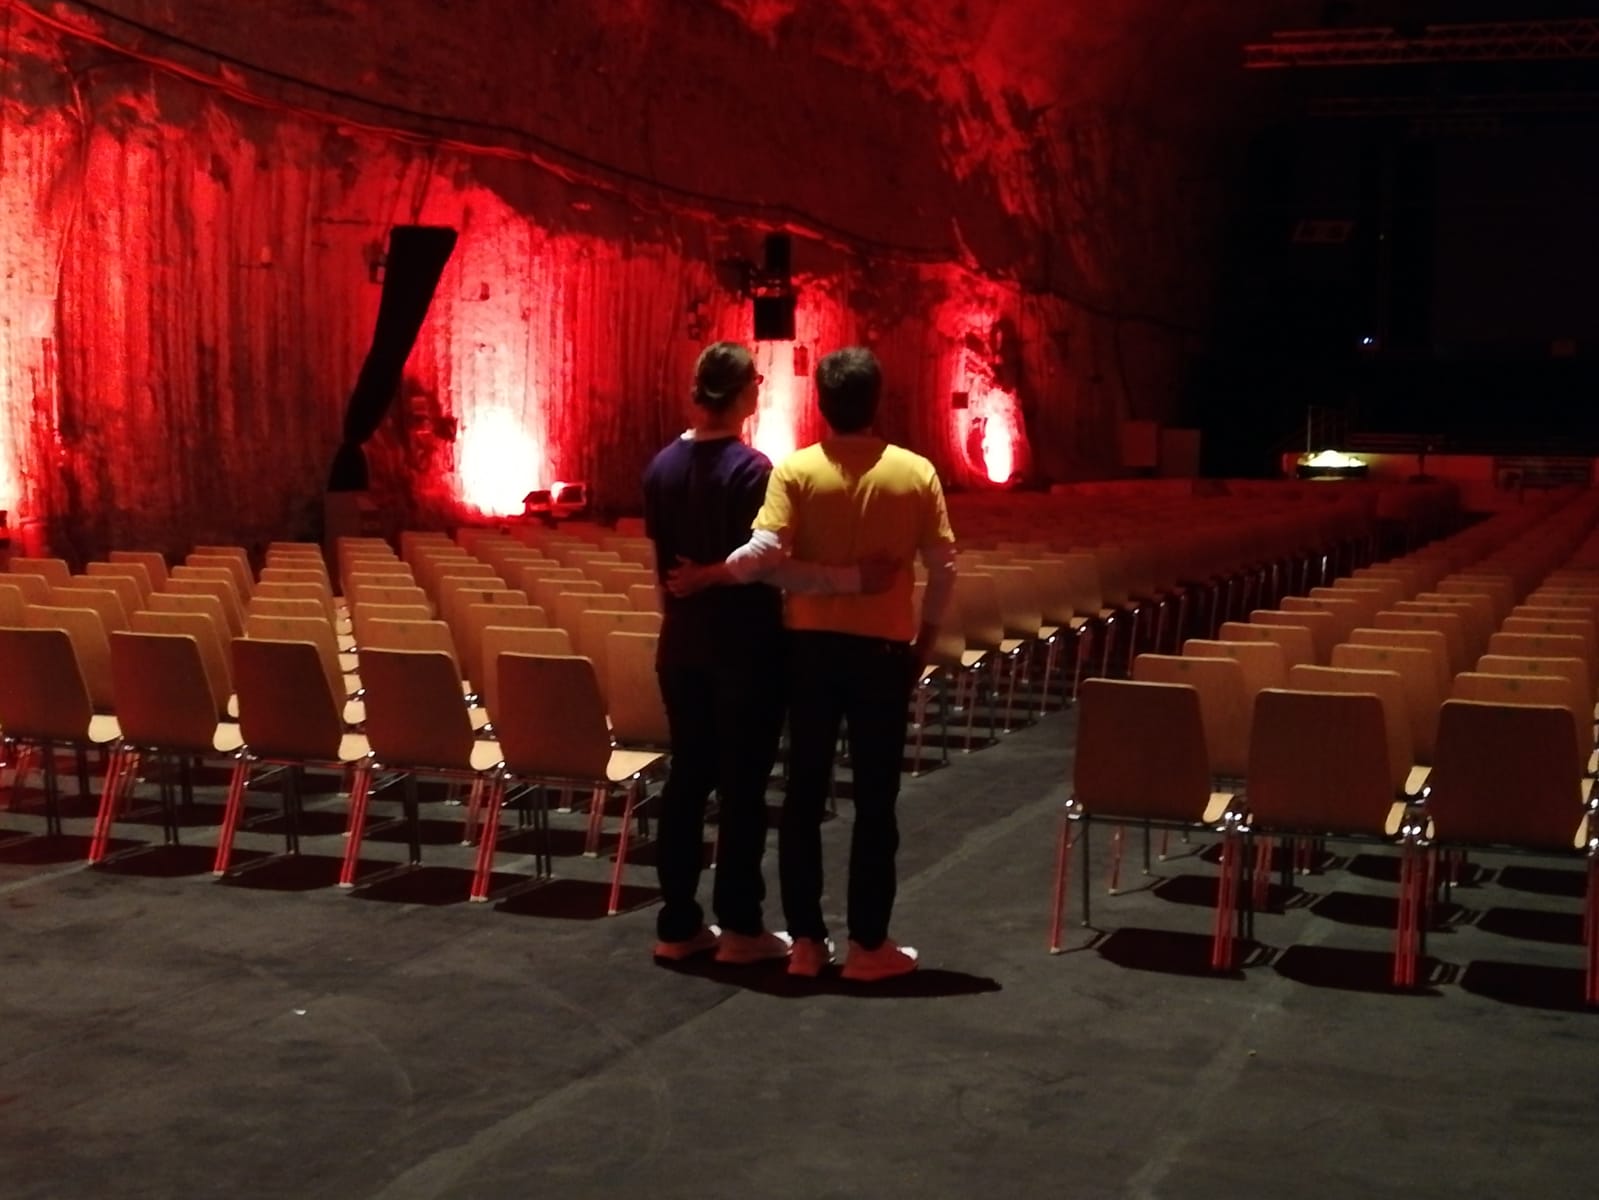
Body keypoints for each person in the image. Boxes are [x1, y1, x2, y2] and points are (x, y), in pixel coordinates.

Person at [670, 346, 957, 982]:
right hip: (883, 653)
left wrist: (716, 574)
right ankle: (868, 945)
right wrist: (927, 640)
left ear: (821, 404)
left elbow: (765, 559)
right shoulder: (916, 472)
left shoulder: (794, 471)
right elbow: (944, 568)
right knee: (876, 801)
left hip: (807, 652)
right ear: (876, 401)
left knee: (803, 794)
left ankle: (805, 941)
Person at [642, 341, 890, 966]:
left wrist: (684, 604)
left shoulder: (660, 467)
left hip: (681, 646)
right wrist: (852, 580)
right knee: (742, 788)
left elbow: (659, 568)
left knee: (687, 781)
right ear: (744, 392)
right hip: (744, 650)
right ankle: (739, 927)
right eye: (756, 381)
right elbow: (772, 566)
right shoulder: (753, 471)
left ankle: (677, 923)